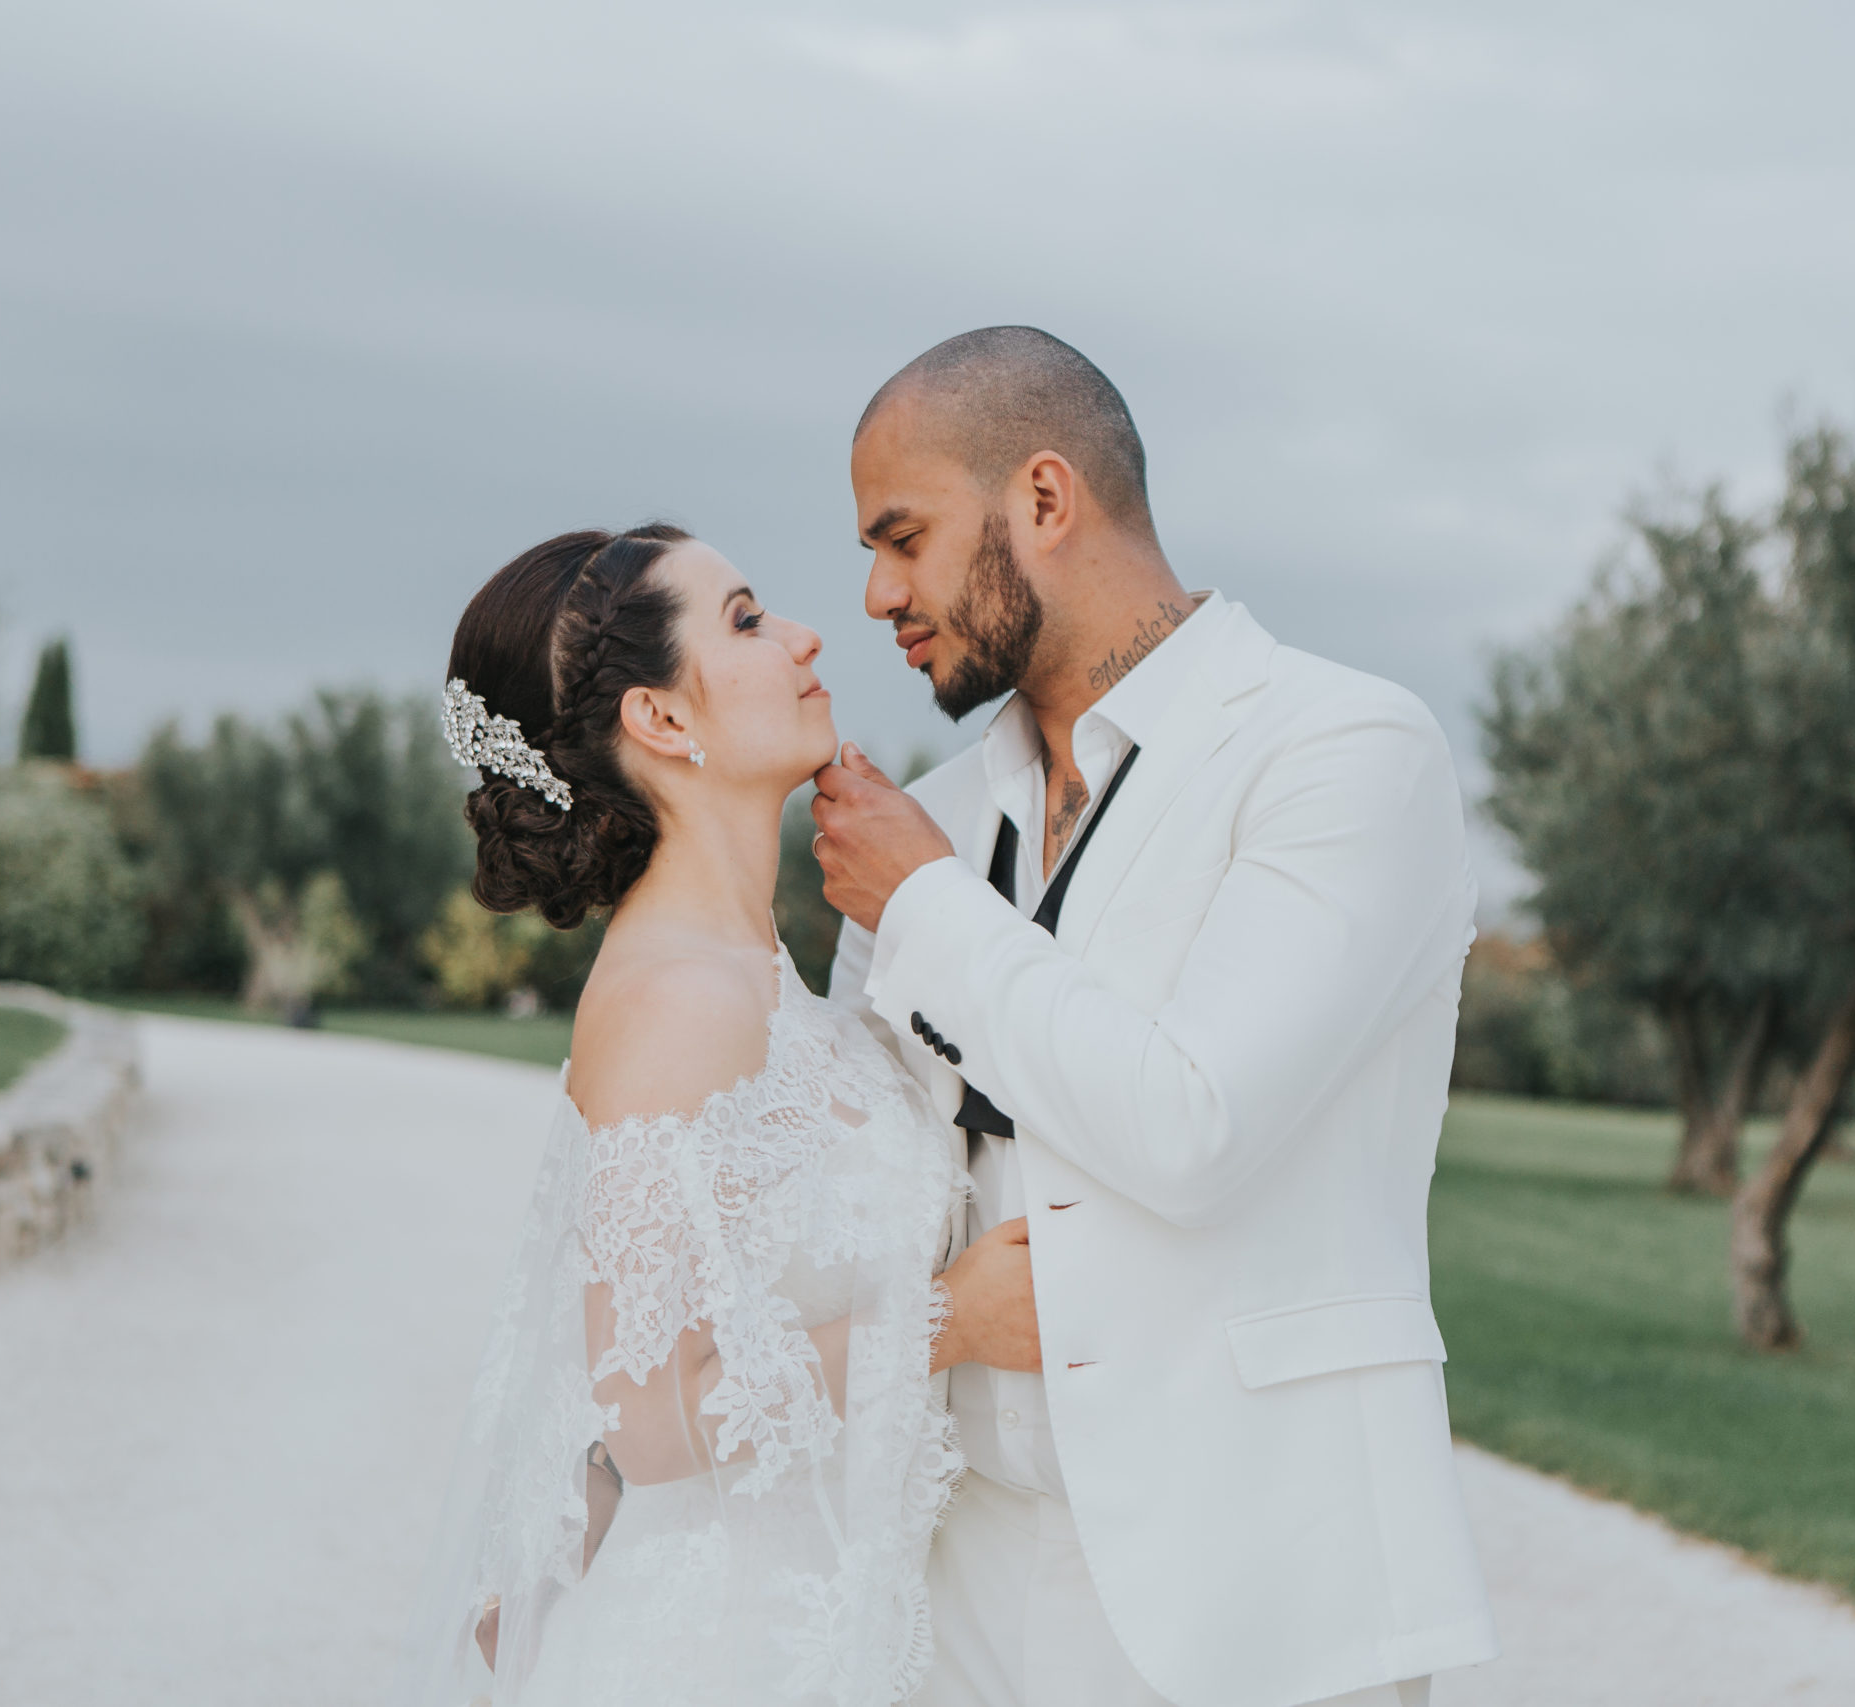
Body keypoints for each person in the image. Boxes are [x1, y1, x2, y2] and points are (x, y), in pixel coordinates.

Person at [814, 327, 1497, 1707]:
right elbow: (855, 1197)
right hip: (956, 1578)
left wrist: (930, 907)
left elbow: (1198, 1121)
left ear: (1046, 501)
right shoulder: (931, 820)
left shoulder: (1344, 749)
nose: (878, 592)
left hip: (1258, 1586)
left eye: (905, 535)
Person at [393, 524, 1039, 1706]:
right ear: (662, 719)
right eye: (744, 620)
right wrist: (951, 1319)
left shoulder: (760, 974)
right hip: (723, 1650)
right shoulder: (677, 998)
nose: (802, 636)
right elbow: (648, 1416)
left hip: (830, 1626)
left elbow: (655, 1341)